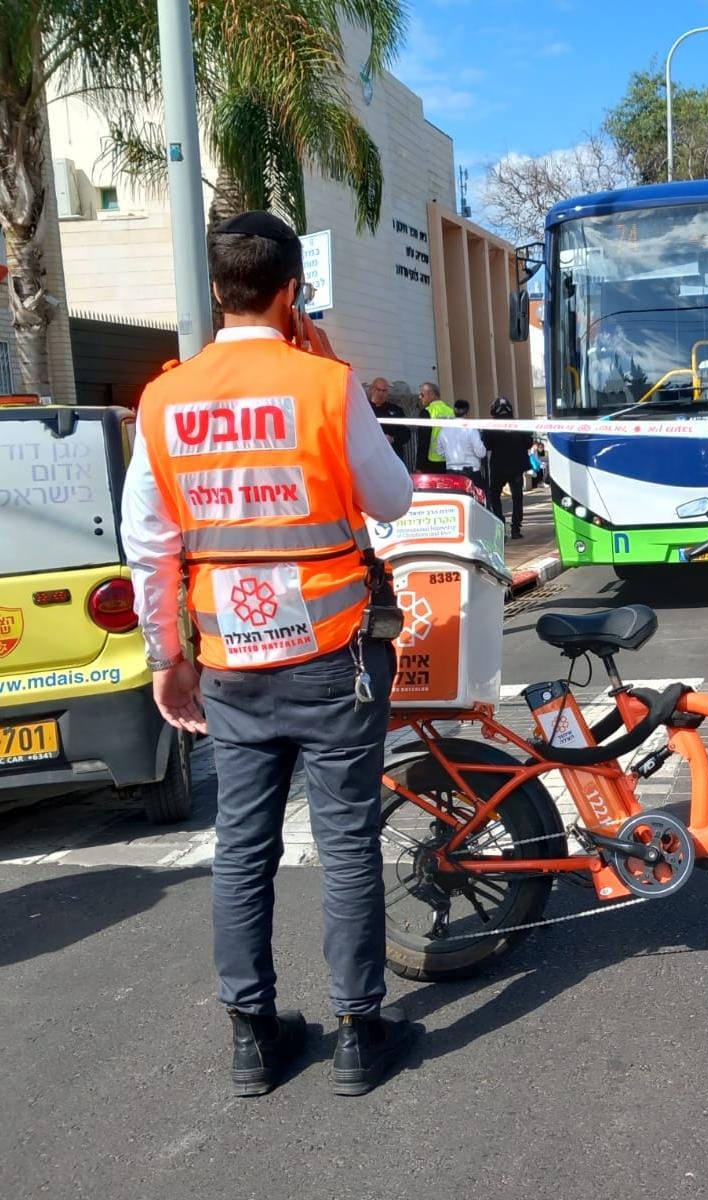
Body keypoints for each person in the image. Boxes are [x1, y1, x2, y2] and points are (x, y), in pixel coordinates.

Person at [120, 210, 416, 1100]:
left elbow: (149, 543)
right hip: (333, 654)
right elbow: (394, 500)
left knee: (242, 847)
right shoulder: (324, 384)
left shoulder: (164, 398)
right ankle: (360, 1031)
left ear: (218, 291)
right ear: (292, 292)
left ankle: (252, 1037)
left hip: (228, 660)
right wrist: (325, 371)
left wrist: (168, 655)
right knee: (347, 840)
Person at [483, 396, 533, 539]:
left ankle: (500, 525)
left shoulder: (490, 427)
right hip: (516, 467)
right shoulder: (518, 425)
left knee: (494, 495)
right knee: (517, 497)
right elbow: (528, 443)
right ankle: (516, 529)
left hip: (498, 467)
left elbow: (487, 445)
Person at [436, 399, 487, 488]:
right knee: (482, 497)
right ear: (467, 413)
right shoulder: (471, 429)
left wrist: (450, 456)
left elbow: (439, 451)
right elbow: (481, 452)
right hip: (471, 472)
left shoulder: (444, 430)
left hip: (451, 472)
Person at [368, 377, 411, 461]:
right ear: (372, 389)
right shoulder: (364, 409)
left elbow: (406, 433)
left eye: (384, 391)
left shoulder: (396, 410)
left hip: (393, 454)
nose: (381, 393)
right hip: (371, 455)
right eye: (378, 390)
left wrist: (393, 439)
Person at [414, 381, 454, 471]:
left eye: (422, 394)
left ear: (431, 395)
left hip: (432, 461)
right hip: (451, 460)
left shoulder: (427, 412)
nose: (420, 397)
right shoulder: (451, 411)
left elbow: (423, 441)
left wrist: (419, 466)